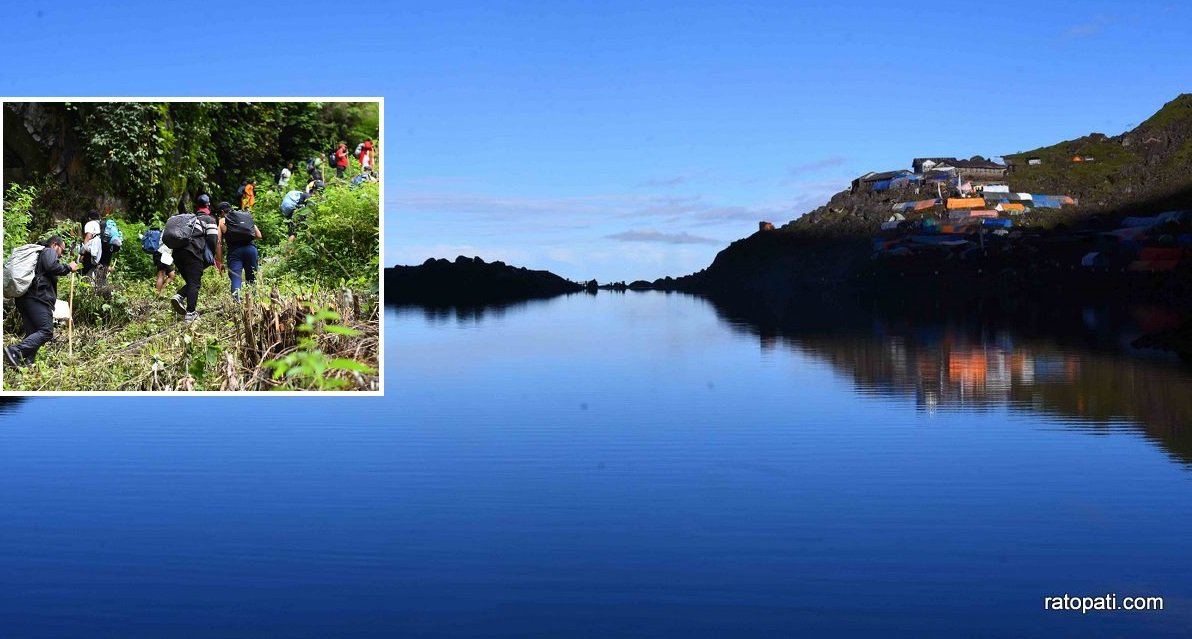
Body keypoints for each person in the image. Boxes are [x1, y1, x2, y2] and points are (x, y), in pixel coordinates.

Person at [5, 237, 79, 368]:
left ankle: (26, 362)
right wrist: (68, 267)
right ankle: (15, 351)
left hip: (25, 298)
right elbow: (52, 266)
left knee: (33, 333)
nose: (61, 254)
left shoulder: (41, 254)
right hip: (37, 298)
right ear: (55, 245)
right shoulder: (49, 251)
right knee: (46, 331)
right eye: (62, 249)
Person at [169, 201, 221, 322]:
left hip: (177, 254)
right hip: (193, 253)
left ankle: (179, 296)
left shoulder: (189, 220)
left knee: (193, 282)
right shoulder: (209, 220)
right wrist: (210, 256)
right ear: (208, 210)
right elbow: (213, 239)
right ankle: (191, 313)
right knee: (194, 284)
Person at [218, 202, 262, 300]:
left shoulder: (222, 221)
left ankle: (237, 303)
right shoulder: (244, 217)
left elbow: (219, 243)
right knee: (252, 279)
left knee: (236, 278)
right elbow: (259, 235)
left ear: (222, 212)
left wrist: (219, 261)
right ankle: (254, 303)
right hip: (251, 250)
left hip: (235, 253)